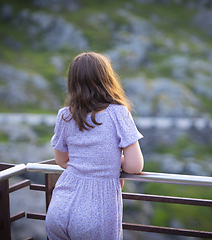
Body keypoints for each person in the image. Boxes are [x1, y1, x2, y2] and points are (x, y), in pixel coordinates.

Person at [45, 52, 144, 240]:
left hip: (59, 205)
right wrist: (114, 160)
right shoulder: (118, 113)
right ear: (107, 79)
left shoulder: (65, 115)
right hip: (95, 213)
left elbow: (61, 160)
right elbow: (134, 166)